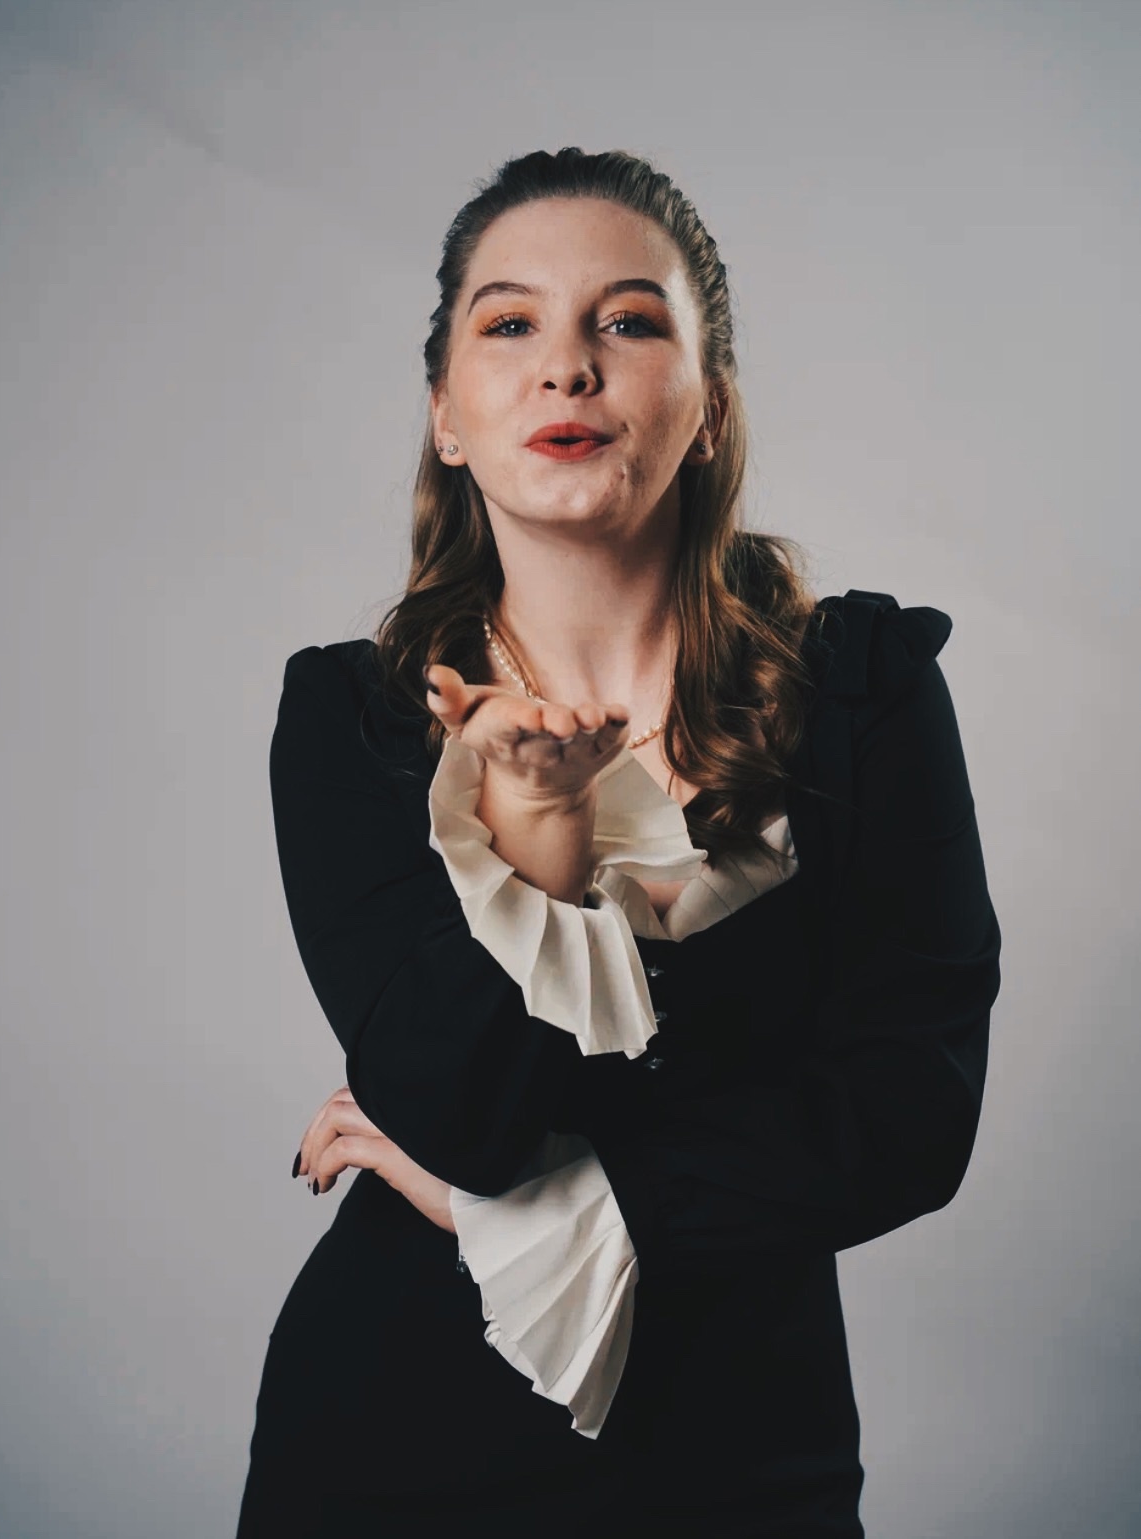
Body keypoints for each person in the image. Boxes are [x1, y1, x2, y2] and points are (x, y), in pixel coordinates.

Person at [234, 147, 1001, 1538]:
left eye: (630, 322)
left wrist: (522, 1214)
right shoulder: (354, 719)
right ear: (447, 415)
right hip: (391, 1445)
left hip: (744, 1459)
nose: (567, 366)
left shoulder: (860, 688)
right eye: (509, 324)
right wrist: (537, 841)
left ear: (708, 409)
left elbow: (911, 1115)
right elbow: (463, 1118)